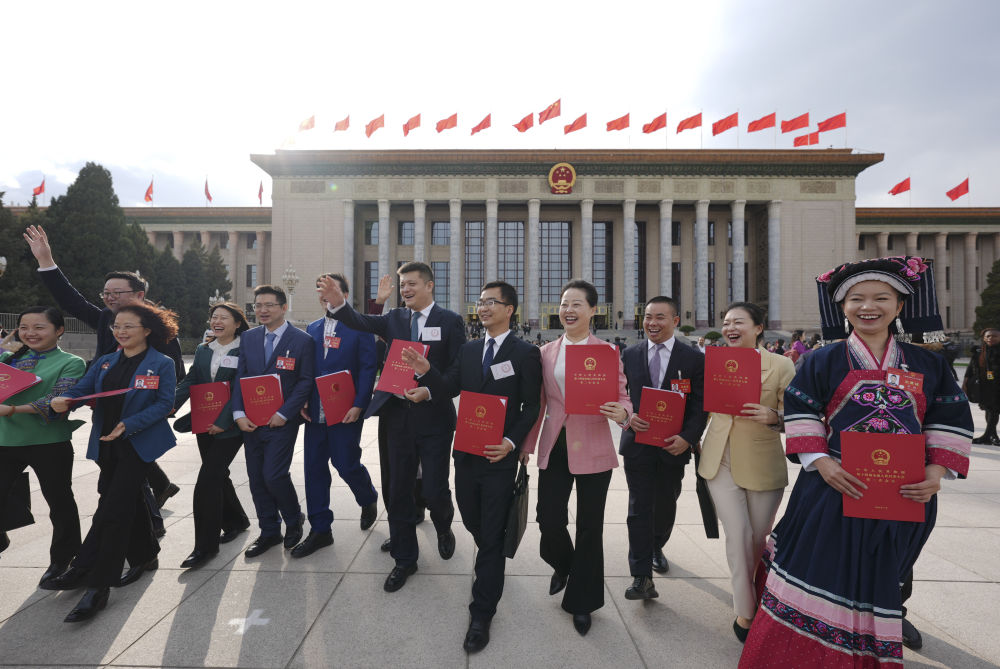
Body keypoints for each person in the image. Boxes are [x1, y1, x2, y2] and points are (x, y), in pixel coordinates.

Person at [739, 256, 973, 667]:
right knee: (819, 570)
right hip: (832, 487)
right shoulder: (822, 360)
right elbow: (802, 412)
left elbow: (948, 417)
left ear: (900, 306)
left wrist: (936, 471)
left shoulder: (928, 363)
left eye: (881, 297)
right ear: (843, 307)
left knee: (883, 577)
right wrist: (823, 463)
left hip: (904, 492)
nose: (869, 306)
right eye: (856, 298)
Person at [400, 281, 542, 653]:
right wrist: (426, 375)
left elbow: (531, 406)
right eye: (480, 302)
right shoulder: (470, 349)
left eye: (491, 302)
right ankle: (491, 561)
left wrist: (511, 442)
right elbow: (450, 385)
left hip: (498, 457)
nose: (483, 307)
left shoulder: (525, 353)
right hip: (465, 453)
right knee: (473, 521)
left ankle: (482, 613)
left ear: (509, 309)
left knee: (491, 537)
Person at [317, 261, 466, 592]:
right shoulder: (395, 319)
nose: (406, 290)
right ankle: (405, 557)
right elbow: (359, 321)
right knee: (397, 489)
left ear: (429, 285)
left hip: (434, 417)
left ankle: (443, 524)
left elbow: (457, 374)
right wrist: (338, 303)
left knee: (434, 489)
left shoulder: (450, 321)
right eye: (403, 285)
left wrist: (429, 389)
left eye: (412, 283)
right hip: (397, 417)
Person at [24, 225, 183, 521]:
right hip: (106, 411)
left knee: (125, 476)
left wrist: (164, 407)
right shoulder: (105, 320)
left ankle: (149, 525)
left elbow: (175, 374)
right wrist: (46, 261)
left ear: (139, 294)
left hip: (140, 412)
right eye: (106, 293)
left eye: (117, 293)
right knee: (116, 470)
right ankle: (153, 510)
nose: (109, 298)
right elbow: (72, 301)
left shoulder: (158, 331)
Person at [48, 303, 179, 622]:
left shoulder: (161, 363)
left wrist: (129, 424)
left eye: (128, 326)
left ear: (146, 329)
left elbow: (165, 403)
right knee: (123, 501)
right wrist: (63, 401)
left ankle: (95, 582)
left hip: (137, 444)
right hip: (107, 444)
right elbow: (82, 390)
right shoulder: (106, 361)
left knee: (113, 511)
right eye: (116, 326)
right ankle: (146, 555)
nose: (120, 331)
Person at [521, 279, 632, 636]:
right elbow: (539, 403)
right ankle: (565, 565)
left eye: (577, 304)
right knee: (548, 519)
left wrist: (623, 413)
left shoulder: (607, 352)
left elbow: (623, 396)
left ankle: (582, 601)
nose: (568, 310)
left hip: (594, 447)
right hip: (556, 443)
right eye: (564, 304)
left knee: (589, 526)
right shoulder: (545, 353)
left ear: (593, 311)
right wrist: (526, 445)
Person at [698, 301, 795, 643]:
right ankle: (746, 611)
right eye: (726, 322)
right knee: (738, 534)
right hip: (719, 460)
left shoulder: (781, 365)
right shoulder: (713, 362)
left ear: (758, 328)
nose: (730, 328)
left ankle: (758, 591)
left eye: (738, 322)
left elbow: (800, 415)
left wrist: (775, 417)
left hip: (762, 462)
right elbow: (700, 409)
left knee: (757, 538)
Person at [619, 297, 707, 600]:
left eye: (659, 317)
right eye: (647, 317)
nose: (652, 323)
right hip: (638, 444)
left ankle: (657, 545)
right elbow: (620, 395)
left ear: (675, 320)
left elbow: (700, 404)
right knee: (638, 507)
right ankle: (641, 575)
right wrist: (628, 417)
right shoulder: (629, 354)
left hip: (673, 446)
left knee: (666, 504)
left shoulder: (693, 358)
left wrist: (688, 437)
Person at [294, 274, 379, 559]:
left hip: (346, 411)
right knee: (314, 469)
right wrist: (304, 398)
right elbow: (307, 369)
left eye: (330, 291)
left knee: (346, 464)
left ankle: (367, 497)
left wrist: (359, 404)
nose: (324, 296)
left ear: (344, 295)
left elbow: (368, 368)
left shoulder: (358, 327)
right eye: (321, 291)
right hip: (315, 412)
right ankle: (321, 529)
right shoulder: (313, 328)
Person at [0, 307, 86, 586]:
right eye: (24, 327)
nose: (30, 333)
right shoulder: (9, 359)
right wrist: (4, 350)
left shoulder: (71, 362)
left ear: (59, 330)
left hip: (49, 443)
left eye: (39, 327)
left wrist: (13, 409)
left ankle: (64, 558)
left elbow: (58, 400)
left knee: (59, 502)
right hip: (5, 440)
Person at [232, 285, 315, 558]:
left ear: (283, 307)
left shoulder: (302, 340)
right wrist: (238, 413)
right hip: (251, 421)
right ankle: (269, 531)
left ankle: (293, 518)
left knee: (274, 475)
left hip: (281, 422)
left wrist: (285, 413)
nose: (262, 310)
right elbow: (241, 377)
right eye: (258, 305)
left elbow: (305, 381)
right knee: (256, 479)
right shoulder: (249, 337)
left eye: (269, 305)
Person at [172, 302, 252, 569]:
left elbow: (241, 387)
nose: (217, 321)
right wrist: (169, 405)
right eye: (214, 317)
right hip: (204, 422)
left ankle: (205, 547)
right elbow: (191, 380)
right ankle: (236, 520)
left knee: (207, 481)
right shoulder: (203, 349)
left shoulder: (245, 350)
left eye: (224, 318)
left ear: (237, 323)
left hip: (231, 425)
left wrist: (223, 421)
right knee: (218, 474)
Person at [367, 274, 427, 554]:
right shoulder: (390, 331)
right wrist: (379, 303)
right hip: (394, 408)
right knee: (393, 475)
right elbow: (368, 330)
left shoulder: (441, 325)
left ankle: (422, 508)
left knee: (421, 472)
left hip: (425, 409)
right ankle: (399, 529)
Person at [963, 328, 1000, 445]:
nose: (990, 338)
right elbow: (970, 368)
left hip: (997, 386)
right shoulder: (979, 351)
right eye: (988, 336)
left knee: (994, 410)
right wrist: (965, 383)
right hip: (984, 386)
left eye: (994, 336)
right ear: (984, 338)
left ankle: (989, 435)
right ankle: (991, 435)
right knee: (988, 409)